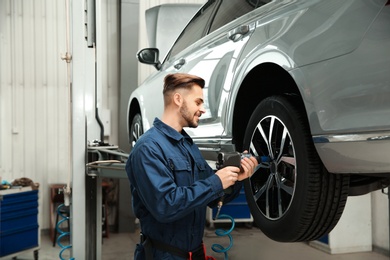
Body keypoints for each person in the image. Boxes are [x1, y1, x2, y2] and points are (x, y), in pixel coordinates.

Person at [126, 73, 258, 260]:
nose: (203, 110)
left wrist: (235, 179)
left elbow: (212, 199)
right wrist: (216, 182)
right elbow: (166, 206)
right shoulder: (148, 148)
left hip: (194, 253)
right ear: (178, 99)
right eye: (198, 102)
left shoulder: (188, 146)